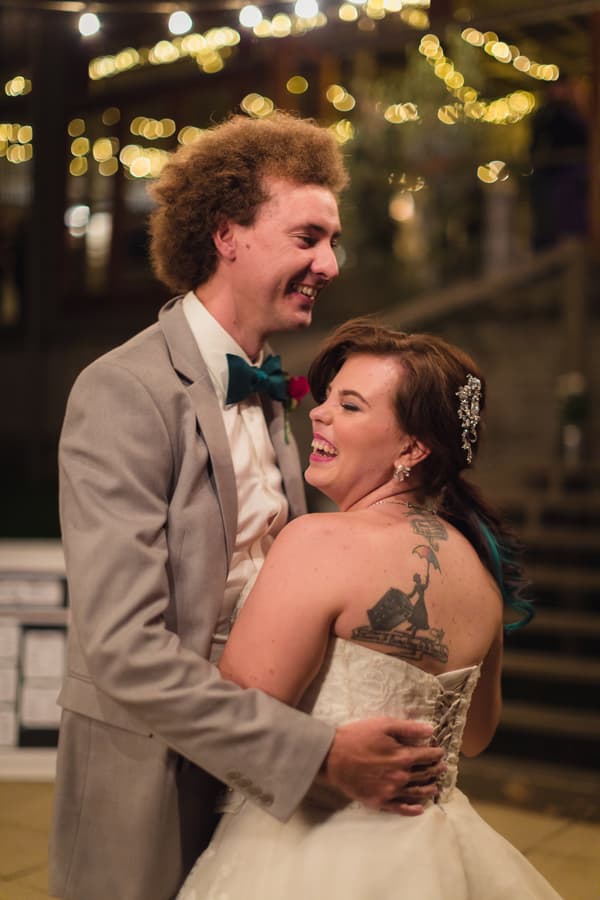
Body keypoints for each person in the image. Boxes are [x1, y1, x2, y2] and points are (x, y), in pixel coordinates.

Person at [48, 115, 445, 900]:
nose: (328, 263)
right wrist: (317, 753)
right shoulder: (122, 390)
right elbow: (125, 648)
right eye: (307, 237)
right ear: (228, 236)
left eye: (332, 241)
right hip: (149, 770)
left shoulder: (274, 388)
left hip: (262, 775)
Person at [178, 319, 562, 899]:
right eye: (328, 398)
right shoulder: (484, 574)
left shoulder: (317, 541)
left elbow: (239, 714)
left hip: (311, 849)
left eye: (350, 406)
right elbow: (476, 736)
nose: (319, 413)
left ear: (411, 447)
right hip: (438, 851)